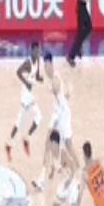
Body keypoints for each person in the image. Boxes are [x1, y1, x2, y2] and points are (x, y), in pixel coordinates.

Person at [32, 52, 80, 191]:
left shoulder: (55, 80)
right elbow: (62, 96)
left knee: (69, 146)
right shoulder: (53, 78)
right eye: (44, 65)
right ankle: (42, 179)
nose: (45, 68)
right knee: (47, 144)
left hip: (62, 116)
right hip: (57, 115)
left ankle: (76, 172)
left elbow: (59, 95)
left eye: (47, 65)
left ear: (50, 64)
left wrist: (61, 92)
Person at [47, 130, 96, 206]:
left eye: (51, 143)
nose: (50, 145)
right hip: (64, 184)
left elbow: (73, 168)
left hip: (72, 184)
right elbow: (53, 166)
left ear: (55, 143)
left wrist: (69, 181)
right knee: (55, 205)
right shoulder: (53, 154)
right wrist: (51, 173)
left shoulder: (62, 154)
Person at [5, 42, 43, 161]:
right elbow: (18, 72)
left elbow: (36, 75)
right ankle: (9, 144)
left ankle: (26, 138)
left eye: (38, 51)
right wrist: (26, 83)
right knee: (19, 123)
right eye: (35, 51)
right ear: (31, 51)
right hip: (25, 95)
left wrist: (40, 79)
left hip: (31, 96)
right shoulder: (27, 62)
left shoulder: (38, 61)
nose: (37, 53)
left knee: (38, 117)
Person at [67, 0, 92, 67]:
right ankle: (71, 56)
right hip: (81, 6)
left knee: (83, 30)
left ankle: (78, 50)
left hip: (82, 6)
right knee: (85, 29)